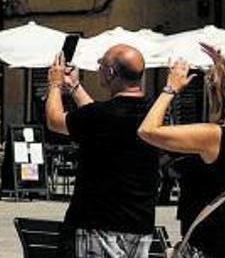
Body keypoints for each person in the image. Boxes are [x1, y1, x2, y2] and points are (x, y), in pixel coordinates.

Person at [138, 45, 225, 258]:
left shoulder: (213, 136)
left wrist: (170, 88)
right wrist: (223, 66)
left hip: (214, 244)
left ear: (218, 94)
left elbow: (147, 130)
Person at [45, 45, 158, 257]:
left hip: (98, 222)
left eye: (101, 64)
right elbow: (96, 116)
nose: (98, 68)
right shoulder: (153, 115)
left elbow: (54, 121)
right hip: (139, 224)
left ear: (111, 72)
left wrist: (55, 84)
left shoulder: (99, 116)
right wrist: (75, 86)